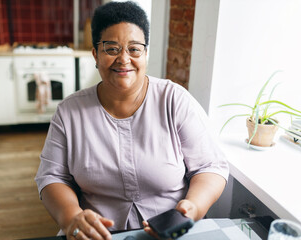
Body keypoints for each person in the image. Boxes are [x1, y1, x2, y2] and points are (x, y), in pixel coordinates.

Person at [35, 1, 229, 240]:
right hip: (97, 235)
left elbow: (210, 167)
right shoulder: (69, 112)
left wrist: (193, 208)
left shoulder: (174, 101)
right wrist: (71, 216)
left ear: (145, 53)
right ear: (95, 54)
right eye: (111, 49)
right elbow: (52, 176)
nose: (123, 59)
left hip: (171, 232)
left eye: (134, 49)